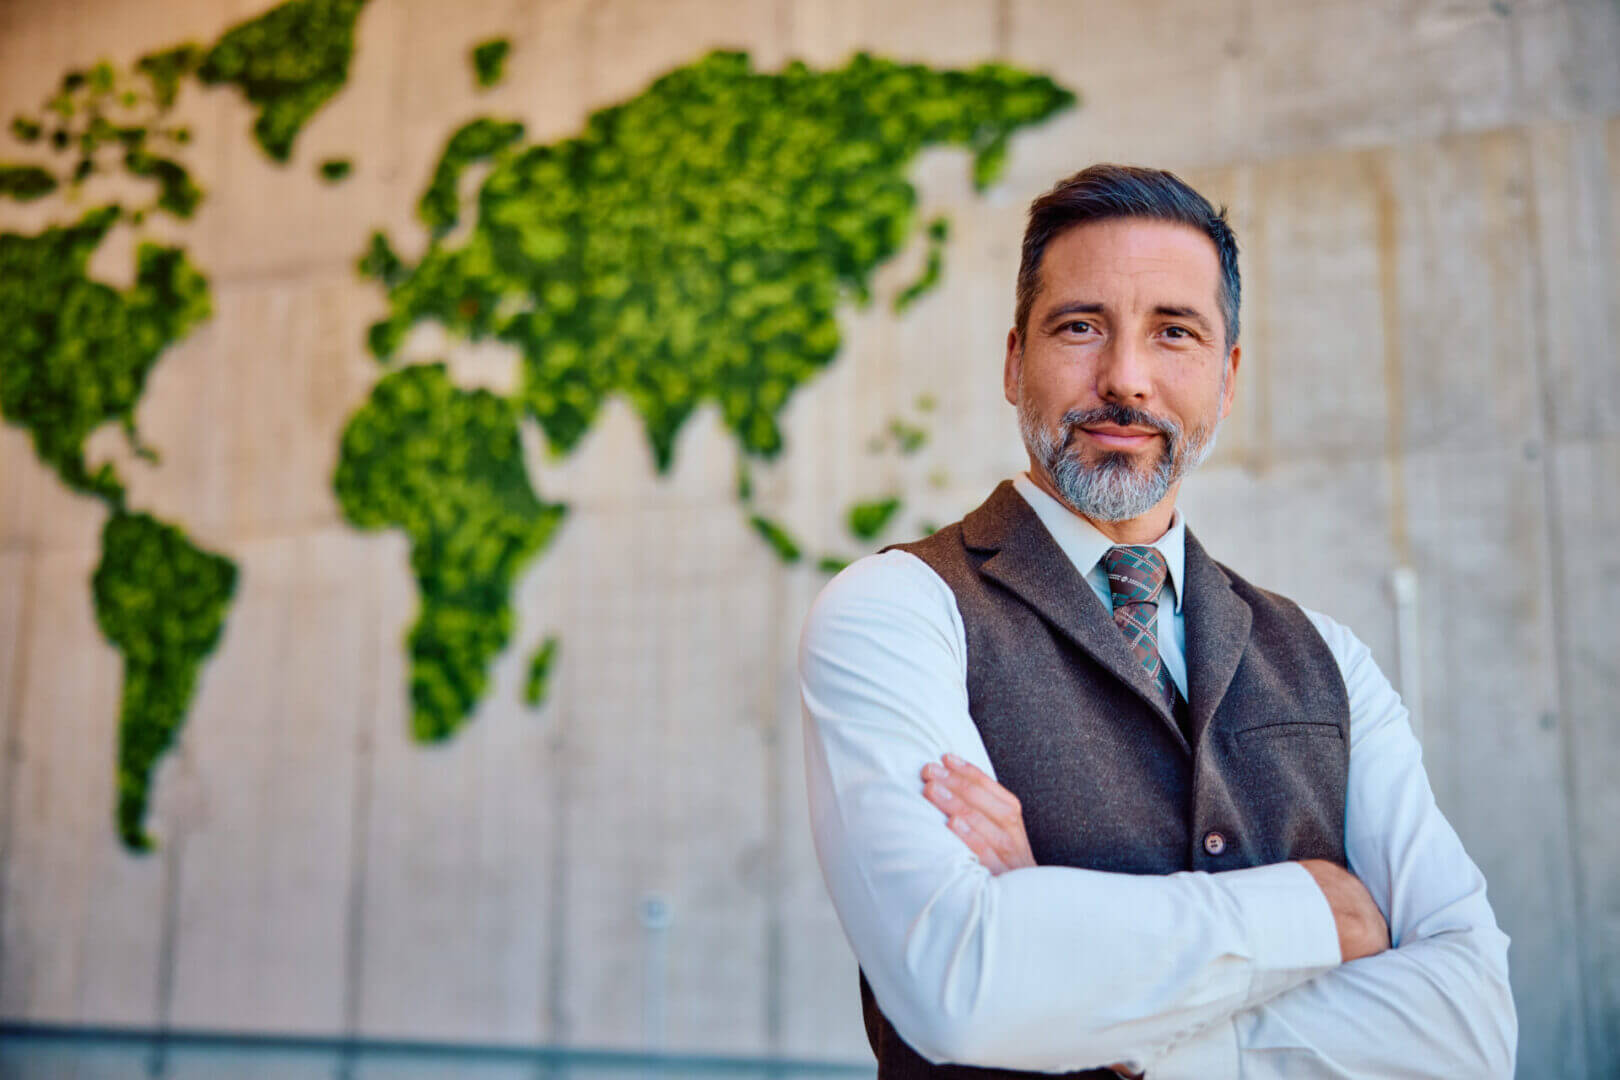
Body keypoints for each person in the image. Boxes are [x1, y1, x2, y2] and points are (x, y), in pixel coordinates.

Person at [798, 164, 1517, 1078]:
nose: (1125, 378)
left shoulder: (1329, 659)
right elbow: (962, 988)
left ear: (1227, 378)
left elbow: (1475, 1033)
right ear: (1015, 362)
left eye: (1173, 332)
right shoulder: (898, 612)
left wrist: (1109, 1009)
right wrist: (1314, 911)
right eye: (1080, 327)